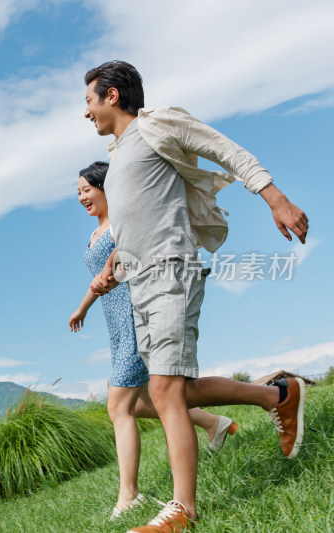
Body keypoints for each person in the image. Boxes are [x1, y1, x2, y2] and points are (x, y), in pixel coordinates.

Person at [82, 61, 309, 532]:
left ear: (113, 96)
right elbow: (136, 225)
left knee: (164, 391)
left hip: (171, 270)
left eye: (88, 101)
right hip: (140, 281)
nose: (85, 113)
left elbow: (223, 148)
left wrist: (276, 198)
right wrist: (111, 269)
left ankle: (182, 509)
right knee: (175, 392)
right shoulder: (120, 155)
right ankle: (278, 396)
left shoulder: (156, 126)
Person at [68, 161, 238, 521]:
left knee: (119, 407)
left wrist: (112, 271)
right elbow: (98, 280)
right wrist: (81, 309)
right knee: (148, 402)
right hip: (115, 322)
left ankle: (129, 494)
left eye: (87, 189)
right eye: (79, 191)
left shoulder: (122, 223)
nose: (82, 196)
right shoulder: (97, 232)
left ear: (106, 187)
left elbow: (127, 257)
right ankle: (214, 423)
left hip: (135, 313)